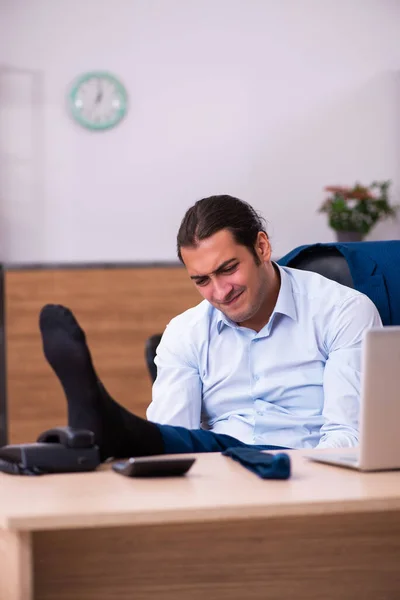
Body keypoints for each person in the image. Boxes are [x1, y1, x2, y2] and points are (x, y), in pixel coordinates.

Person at [39, 195, 381, 462]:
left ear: (261, 247)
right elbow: (175, 441)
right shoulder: (184, 332)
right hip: (222, 475)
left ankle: (111, 422)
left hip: (307, 471)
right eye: (201, 280)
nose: (219, 292)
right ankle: (107, 425)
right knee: (174, 443)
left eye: (228, 269)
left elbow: (348, 438)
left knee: (208, 447)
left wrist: (296, 477)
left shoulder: (343, 312)